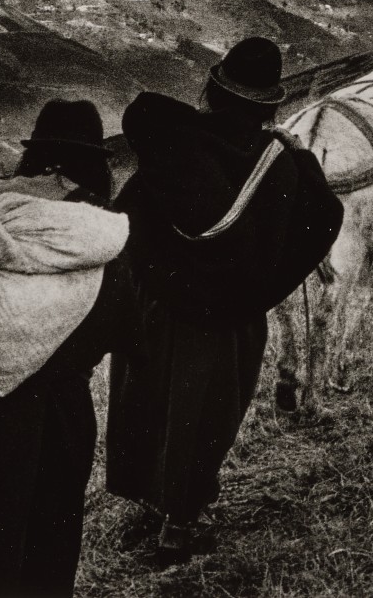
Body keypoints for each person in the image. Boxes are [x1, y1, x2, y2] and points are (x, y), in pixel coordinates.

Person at [106, 40, 343, 566]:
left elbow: (129, 216)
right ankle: (177, 527)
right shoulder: (282, 164)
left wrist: (151, 274)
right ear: (269, 105)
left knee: (147, 405)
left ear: (214, 90)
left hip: (160, 309)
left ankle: (149, 504)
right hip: (230, 323)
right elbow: (324, 218)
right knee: (202, 419)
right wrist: (264, 285)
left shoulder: (174, 145)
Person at [0, 101, 136, 598]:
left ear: (35, 159)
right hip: (56, 415)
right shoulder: (104, 239)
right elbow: (119, 326)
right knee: (42, 554)